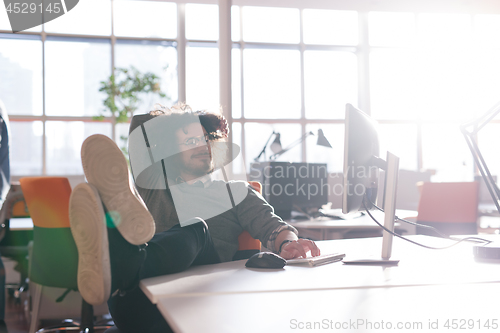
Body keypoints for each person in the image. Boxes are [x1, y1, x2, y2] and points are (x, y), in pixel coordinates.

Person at [69, 104, 320, 333]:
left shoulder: (236, 192)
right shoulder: (154, 184)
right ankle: (124, 261)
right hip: (139, 300)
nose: (202, 146)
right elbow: (140, 127)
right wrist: (197, 117)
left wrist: (288, 244)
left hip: (199, 302)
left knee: (196, 228)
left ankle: (119, 262)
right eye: (190, 141)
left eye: (204, 138)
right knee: (189, 230)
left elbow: (274, 228)